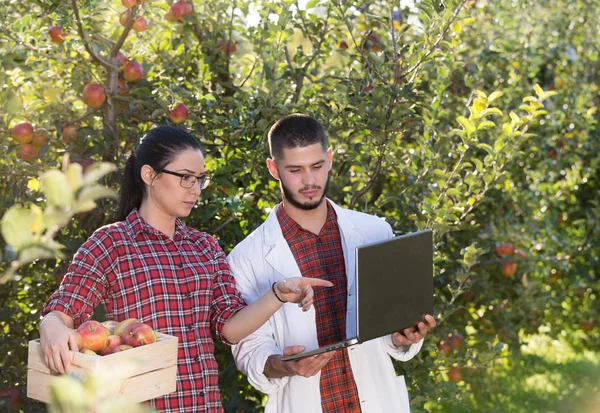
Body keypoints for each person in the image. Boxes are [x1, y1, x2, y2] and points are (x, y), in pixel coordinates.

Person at [39, 125, 332, 412]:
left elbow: (229, 328)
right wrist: (50, 325)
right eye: (185, 178)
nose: (195, 190)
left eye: (199, 179)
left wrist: (277, 295)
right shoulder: (112, 243)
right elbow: (64, 310)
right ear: (149, 175)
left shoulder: (204, 247)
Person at [228, 114, 436, 413]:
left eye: (316, 166)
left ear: (330, 159)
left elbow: (391, 337)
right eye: (295, 170)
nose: (309, 181)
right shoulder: (246, 258)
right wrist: (286, 365)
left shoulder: (375, 232)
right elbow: (250, 352)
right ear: (273, 169)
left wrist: (404, 336)